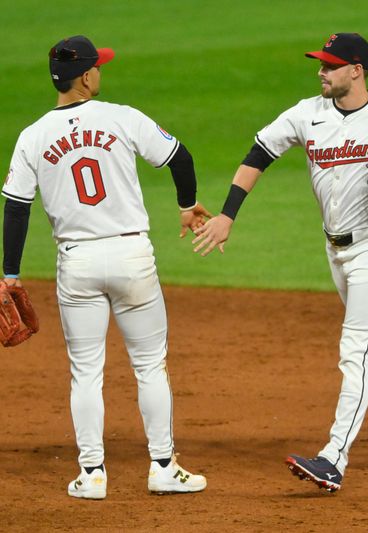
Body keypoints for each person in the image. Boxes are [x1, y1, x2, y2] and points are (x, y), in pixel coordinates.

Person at [193, 32, 368, 492]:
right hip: (337, 249)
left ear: (356, 70)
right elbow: (258, 155)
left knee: (355, 350)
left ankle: (333, 458)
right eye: (321, 64)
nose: (321, 72)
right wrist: (227, 214)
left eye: (330, 65)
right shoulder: (307, 114)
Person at [2, 35, 211, 498]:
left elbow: (16, 207)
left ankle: (92, 474)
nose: (101, 73)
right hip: (132, 257)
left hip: (76, 263)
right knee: (150, 365)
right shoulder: (121, 117)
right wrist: (187, 205)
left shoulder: (32, 136)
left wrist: (10, 272)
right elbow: (181, 158)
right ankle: (162, 466)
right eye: (98, 67)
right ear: (86, 76)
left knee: (85, 371)